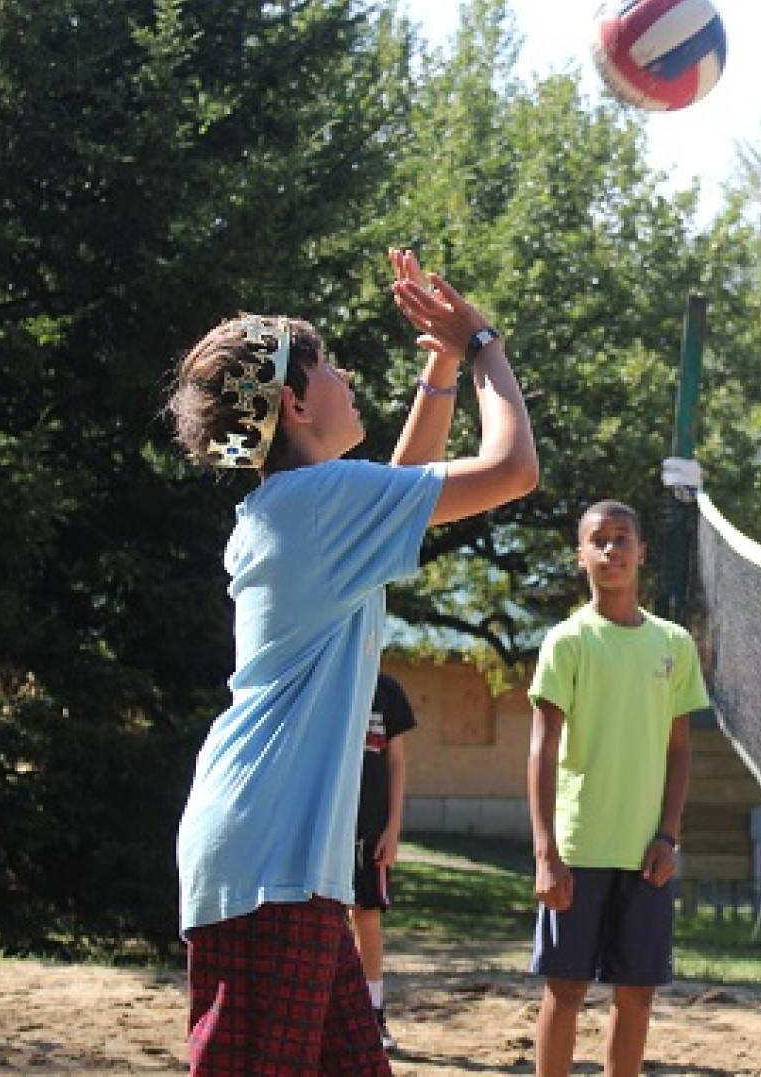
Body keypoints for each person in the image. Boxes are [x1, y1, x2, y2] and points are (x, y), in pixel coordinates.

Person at [169, 248, 537, 1074]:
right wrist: (483, 344)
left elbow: (400, 493)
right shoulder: (316, 506)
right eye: (327, 363)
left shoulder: (303, 508)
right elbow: (514, 469)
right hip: (270, 867)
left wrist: (439, 373)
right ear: (295, 401)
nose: (343, 373)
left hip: (284, 867)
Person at [527, 500, 710, 1077]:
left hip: (645, 853)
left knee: (636, 996)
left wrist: (668, 836)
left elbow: (679, 751)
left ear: (641, 552)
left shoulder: (673, 644)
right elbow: (541, 749)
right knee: (567, 991)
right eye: (599, 541)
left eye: (622, 539)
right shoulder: (567, 641)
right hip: (579, 849)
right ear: (580, 555)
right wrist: (546, 853)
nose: (611, 551)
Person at [352, 673, 416, 1052]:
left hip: (372, 827)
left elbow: (396, 762)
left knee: (367, 915)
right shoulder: (327, 676)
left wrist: (392, 828)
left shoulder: (387, 691)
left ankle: (373, 1015)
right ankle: (330, 1014)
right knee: (325, 917)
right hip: (328, 828)